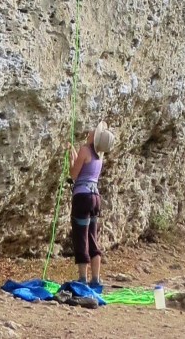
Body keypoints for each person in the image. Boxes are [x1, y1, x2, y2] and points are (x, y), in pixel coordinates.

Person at [68, 120, 115, 285]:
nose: (90, 131)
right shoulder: (99, 156)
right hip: (95, 197)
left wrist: (70, 161)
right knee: (92, 237)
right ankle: (95, 279)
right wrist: (73, 152)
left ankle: (82, 279)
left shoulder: (85, 150)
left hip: (82, 197)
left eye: (93, 132)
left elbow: (74, 174)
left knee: (81, 237)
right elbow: (84, 167)